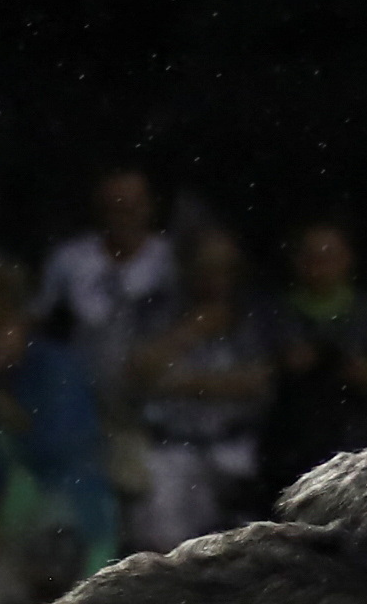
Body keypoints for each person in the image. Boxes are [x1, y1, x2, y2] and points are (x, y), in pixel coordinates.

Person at [118, 223, 279, 549]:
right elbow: (136, 376)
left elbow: (260, 383)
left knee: (237, 553)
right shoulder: (155, 308)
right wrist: (192, 330)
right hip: (169, 449)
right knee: (161, 552)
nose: (217, 278)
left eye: (226, 268)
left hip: (235, 448)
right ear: (186, 266)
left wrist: (179, 383)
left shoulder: (253, 312)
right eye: (207, 267)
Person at [261, 217, 367, 491]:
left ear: (348, 258)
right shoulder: (274, 312)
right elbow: (254, 372)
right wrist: (284, 365)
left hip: (360, 437)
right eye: (310, 256)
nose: (318, 265)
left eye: (328, 256)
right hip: (291, 439)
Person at [29, 163, 175, 402]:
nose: (125, 217)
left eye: (133, 206)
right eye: (116, 207)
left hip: (159, 395)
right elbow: (36, 320)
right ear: (100, 209)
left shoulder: (173, 258)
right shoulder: (69, 258)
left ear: (150, 206)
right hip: (84, 394)